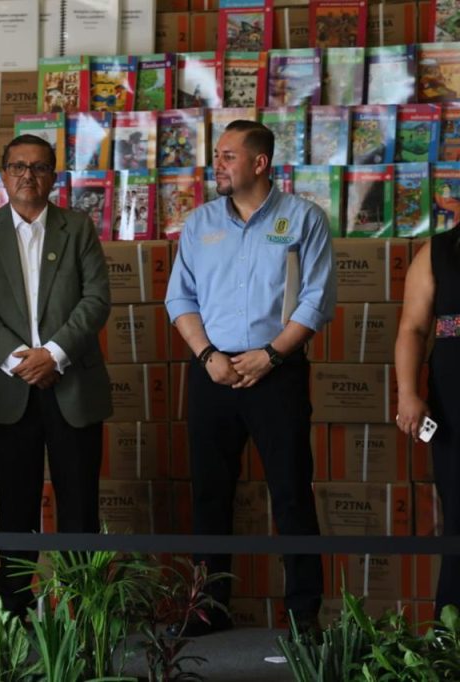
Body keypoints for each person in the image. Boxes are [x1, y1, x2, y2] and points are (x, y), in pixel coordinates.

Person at [165, 120, 335, 635]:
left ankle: (303, 616)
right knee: (210, 494)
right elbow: (180, 297)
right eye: (216, 155)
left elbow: (316, 300)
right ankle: (206, 609)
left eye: (228, 156)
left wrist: (271, 356)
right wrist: (206, 355)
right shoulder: (199, 224)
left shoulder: (304, 219)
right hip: (212, 373)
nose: (216, 165)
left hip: (277, 373)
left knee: (291, 492)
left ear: (260, 163)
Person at [0, 134, 112, 618]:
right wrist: (20, 359)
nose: (28, 175)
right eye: (18, 166)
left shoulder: (78, 227)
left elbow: (96, 300)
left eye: (39, 167)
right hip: (10, 387)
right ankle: (15, 609)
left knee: (79, 504)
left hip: (72, 385)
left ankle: (83, 610)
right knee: (14, 504)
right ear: (4, 175)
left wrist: (54, 354)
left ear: (54, 177)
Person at [395, 230, 460, 618]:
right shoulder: (439, 251)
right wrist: (407, 393)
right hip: (454, 394)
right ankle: (452, 632)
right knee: (458, 509)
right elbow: (413, 328)